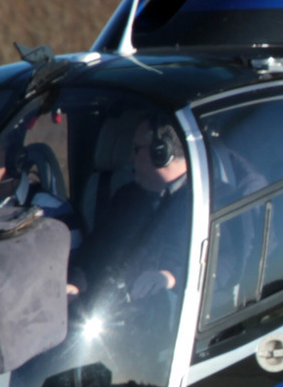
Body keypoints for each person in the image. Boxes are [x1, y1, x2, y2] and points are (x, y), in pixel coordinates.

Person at [68, 116, 193, 306]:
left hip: (169, 318)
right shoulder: (127, 197)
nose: (130, 158)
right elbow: (93, 251)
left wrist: (171, 278)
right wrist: (76, 282)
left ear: (161, 153)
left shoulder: (206, 199)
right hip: (109, 312)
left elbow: (227, 266)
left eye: (136, 150)